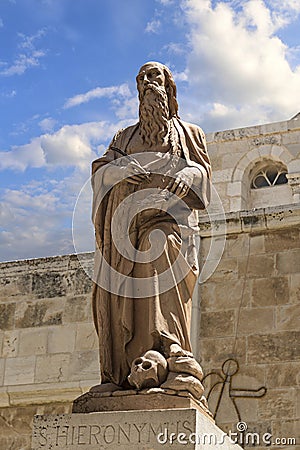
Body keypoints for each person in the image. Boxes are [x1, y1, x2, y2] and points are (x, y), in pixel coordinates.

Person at [91, 62, 211, 390]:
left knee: (161, 245)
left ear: (169, 86)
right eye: (141, 78)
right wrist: (121, 170)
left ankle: (170, 348)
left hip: (170, 223)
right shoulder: (124, 137)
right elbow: (100, 171)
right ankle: (122, 370)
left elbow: (202, 177)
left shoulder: (190, 133)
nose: (147, 82)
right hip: (125, 230)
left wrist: (183, 176)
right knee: (114, 284)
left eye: (153, 76)